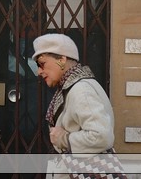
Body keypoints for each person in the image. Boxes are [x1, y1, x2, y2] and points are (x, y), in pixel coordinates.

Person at [33, 33, 120, 177]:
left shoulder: (81, 89)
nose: (39, 72)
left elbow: (102, 136)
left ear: (62, 59)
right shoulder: (74, 86)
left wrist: (64, 139)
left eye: (42, 64)